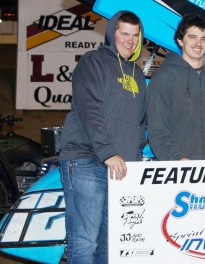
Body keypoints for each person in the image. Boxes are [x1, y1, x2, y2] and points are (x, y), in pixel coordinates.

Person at [58, 11, 147, 263]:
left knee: (109, 243)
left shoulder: (137, 74)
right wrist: (108, 151)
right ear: (112, 34)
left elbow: (140, 122)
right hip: (86, 160)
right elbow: (90, 109)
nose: (129, 40)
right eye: (124, 33)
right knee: (84, 242)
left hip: (119, 169)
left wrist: (135, 157)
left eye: (134, 35)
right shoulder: (93, 62)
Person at [148, 14, 205, 160]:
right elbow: (157, 128)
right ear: (180, 40)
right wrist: (176, 158)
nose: (198, 44)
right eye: (192, 37)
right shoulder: (164, 76)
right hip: (180, 169)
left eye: (203, 39)